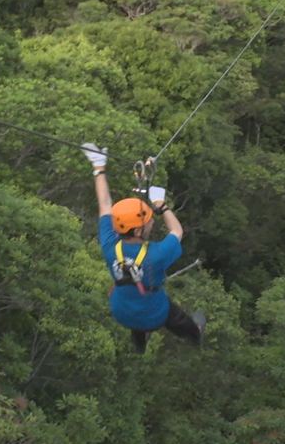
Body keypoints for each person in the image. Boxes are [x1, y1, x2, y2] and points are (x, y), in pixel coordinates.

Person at [83, 143, 205, 353]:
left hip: (121, 311)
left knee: (134, 305)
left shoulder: (109, 244)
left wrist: (99, 167)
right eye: (149, 220)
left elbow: (104, 205)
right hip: (154, 313)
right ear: (138, 230)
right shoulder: (156, 255)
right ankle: (196, 335)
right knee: (178, 319)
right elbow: (177, 231)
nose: (152, 221)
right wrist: (161, 206)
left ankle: (139, 345)